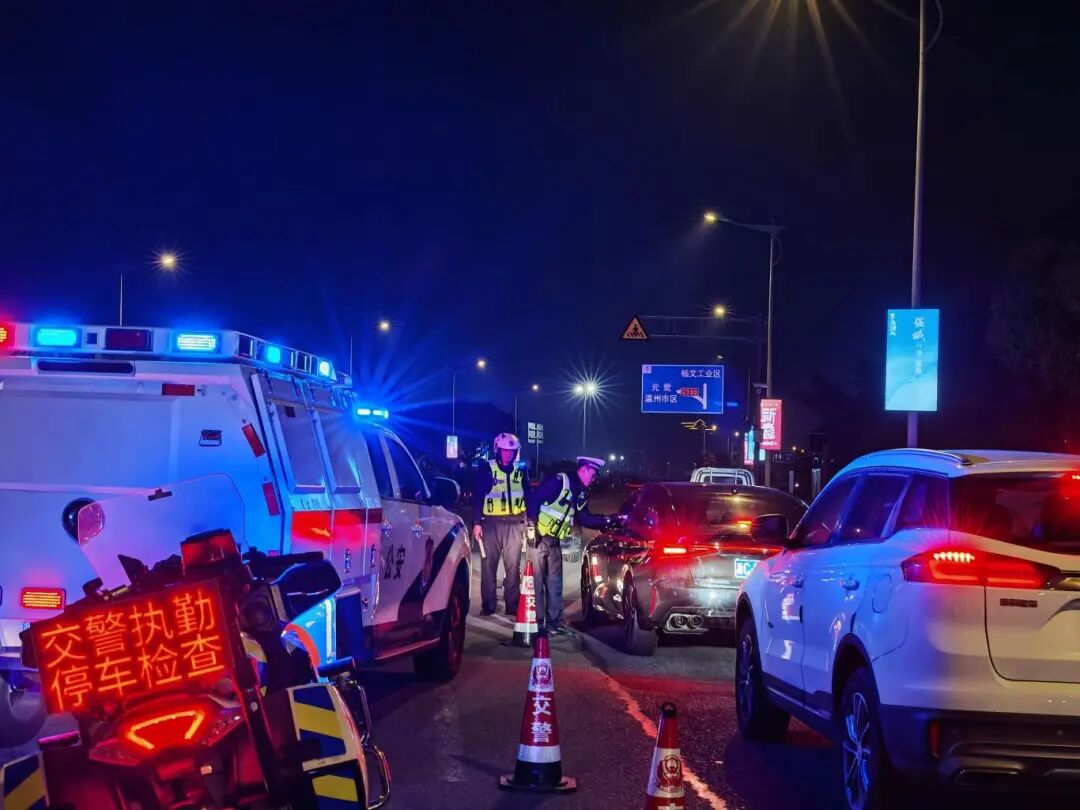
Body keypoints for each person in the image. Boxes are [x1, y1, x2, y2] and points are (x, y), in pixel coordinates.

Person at [526, 456, 615, 634]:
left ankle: (554, 622)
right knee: (537, 582)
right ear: (584, 470)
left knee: (554, 583)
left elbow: (585, 518)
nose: (594, 479)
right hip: (539, 537)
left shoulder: (580, 492)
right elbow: (534, 499)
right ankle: (537, 623)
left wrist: (608, 521)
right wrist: (531, 526)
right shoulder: (559, 481)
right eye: (593, 474)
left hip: (554, 541)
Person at [472, 432, 528, 616]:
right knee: (488, 566)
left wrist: (529, 521)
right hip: (491, 524)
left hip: (514, 523)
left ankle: (512, 605)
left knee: (513, 567)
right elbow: (477, 497)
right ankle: (488, 606)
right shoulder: (487, 470)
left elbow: (528, 496)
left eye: (512, 451)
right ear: (498, 450)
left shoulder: (520, 471)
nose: (508, 454)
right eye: (505, 450)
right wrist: (477, 522)